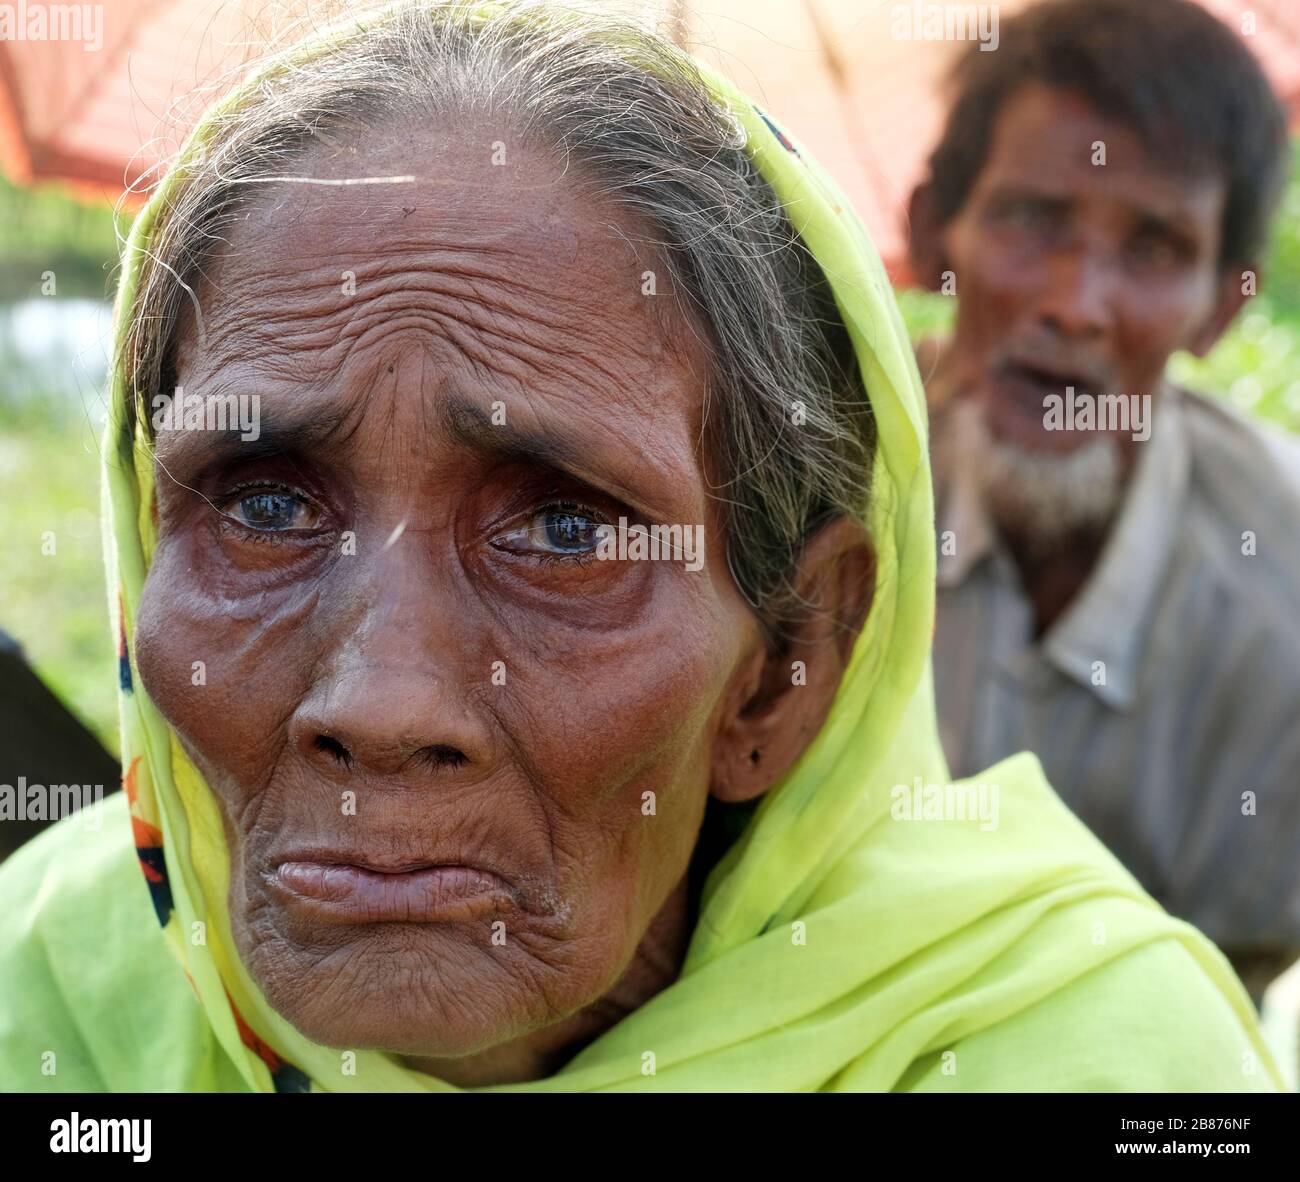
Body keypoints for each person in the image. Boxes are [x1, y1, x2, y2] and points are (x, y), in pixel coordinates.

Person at [0, 0, 1283, 1093]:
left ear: (787, 669)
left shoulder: (1080, 1056)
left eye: (564, 529)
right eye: (264, 507)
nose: (378, 705)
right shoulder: (53, 985)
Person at [908, 0, 1300, 1004]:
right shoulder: (818, 479)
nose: (1075, 304)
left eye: (1156, 246)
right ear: (933, 232)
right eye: (1031, 218)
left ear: (1219, 308)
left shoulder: (1282, 596)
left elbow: (1223, 998)